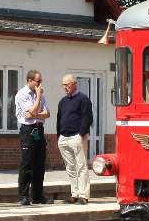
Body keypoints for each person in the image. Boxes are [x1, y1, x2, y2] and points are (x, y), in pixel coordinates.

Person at [56, 75, 94, 204]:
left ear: (74, 84)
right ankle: (75, 194)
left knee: (81, 166)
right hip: (64, 137)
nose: (65, 88)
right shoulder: (62, 101)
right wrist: (59, 136)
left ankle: (84, 196)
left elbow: (88, 117)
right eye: (63, 85)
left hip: (77, 136)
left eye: (67, 85)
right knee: (70, 167)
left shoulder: (83, 99)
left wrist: (81, 133)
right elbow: (59, 118)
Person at [14, 69, 50, 205]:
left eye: (41, 81)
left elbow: (47, 113)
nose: (40, 84)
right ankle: (23, 196)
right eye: (38, 81)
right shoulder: (22, 94)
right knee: (27, 163)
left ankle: (38, 195)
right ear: (29, 81)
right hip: (28, 130)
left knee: (40, 163)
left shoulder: (39, 93)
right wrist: (38, 98)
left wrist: (36, 114)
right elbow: (33, 111)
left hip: (39, 130)